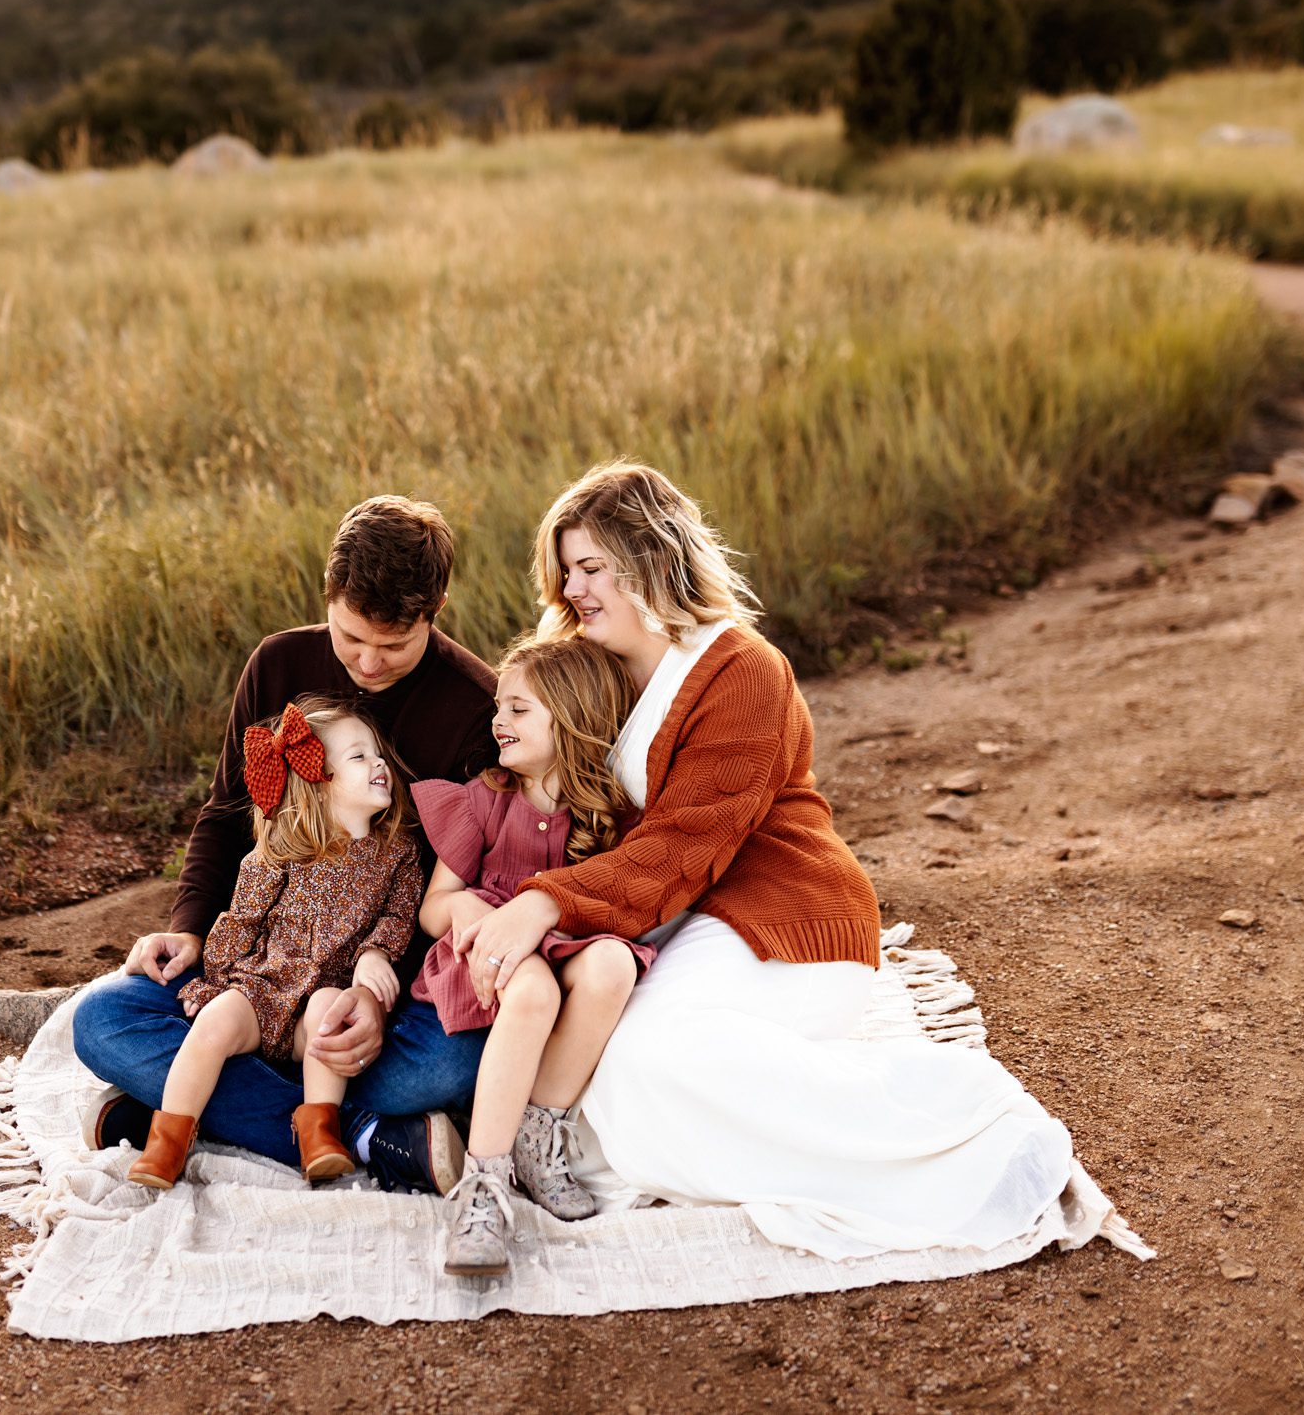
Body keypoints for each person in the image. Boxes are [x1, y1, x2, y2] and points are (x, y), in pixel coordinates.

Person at [454, 460, 1083, 1259]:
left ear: (652, 558)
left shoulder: (742, 670)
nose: (573, 590)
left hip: (785, 919)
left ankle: (949, 1128)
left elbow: (682, 848)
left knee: (644, 1066)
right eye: (565, 571)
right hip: (662, 925)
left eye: (592, 567)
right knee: (603, 1073)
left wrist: (542, 901)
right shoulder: (592, 666)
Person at [73, 496, 498, 1193]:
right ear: (326, 595)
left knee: (444, 1065)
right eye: (350, 635)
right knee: (99, 1021)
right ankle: (365, 1135)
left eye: (393, 646)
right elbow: (223, 815)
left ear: (438, 608)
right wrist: (187, 932)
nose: (367, 661)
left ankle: (176, 1106)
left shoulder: (474, 708)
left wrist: (375, 995)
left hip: (372, 984)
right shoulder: (277, 663)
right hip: (262, 968)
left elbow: (460, 884)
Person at [408, 635, 652, 1276]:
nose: (497, 722)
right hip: (492, 940)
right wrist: (462, 909)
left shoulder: (609, 810)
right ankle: (483, 1186)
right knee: (535, 989)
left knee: (613, 966)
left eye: (518, 709)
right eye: (498, 707)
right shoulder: (485, 797)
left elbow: (620, 900)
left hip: (568, 932)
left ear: (570, 716)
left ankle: (537, 1133)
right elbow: (436, 905)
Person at [126, 701, 422, 1190]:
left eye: (377, 754)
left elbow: (400, 914)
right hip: (262, 987)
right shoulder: (285, 849)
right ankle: (168, 1141)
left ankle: (320, 1133)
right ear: (318, 779)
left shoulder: (398, 853)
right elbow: (242, 917)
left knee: (331, 1015)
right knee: (213, 1024)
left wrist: (376, 953)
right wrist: (217, 980)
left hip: (324, 994)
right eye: (358, 757)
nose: (379, 764)